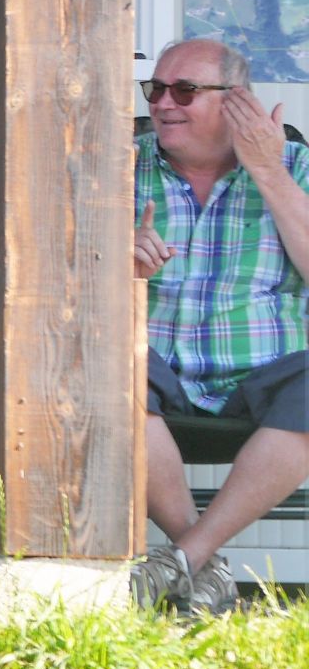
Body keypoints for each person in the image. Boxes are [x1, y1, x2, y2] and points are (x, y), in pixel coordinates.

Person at [129, 38, 309, 616]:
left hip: (267, 381)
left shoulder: (296, 166)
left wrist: (268, 170)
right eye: (155, 89)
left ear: (238, 101)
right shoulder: (119, 164)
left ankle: (185, 557)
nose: (163, 103)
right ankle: (200, 564)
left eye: (184, 91)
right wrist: (115, 259)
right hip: (152, 373)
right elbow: (61, 272)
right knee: (106, 366)